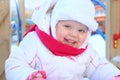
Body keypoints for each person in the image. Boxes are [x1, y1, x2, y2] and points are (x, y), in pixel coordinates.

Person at [5, 0, 120, 80]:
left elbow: (99, 67)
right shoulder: (35, 41)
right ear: (54, 23)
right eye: (67, 26)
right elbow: (15, 63)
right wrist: (29, 76)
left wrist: (113, 76)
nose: (74, 34)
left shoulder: (85, 51)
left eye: (81, 31)